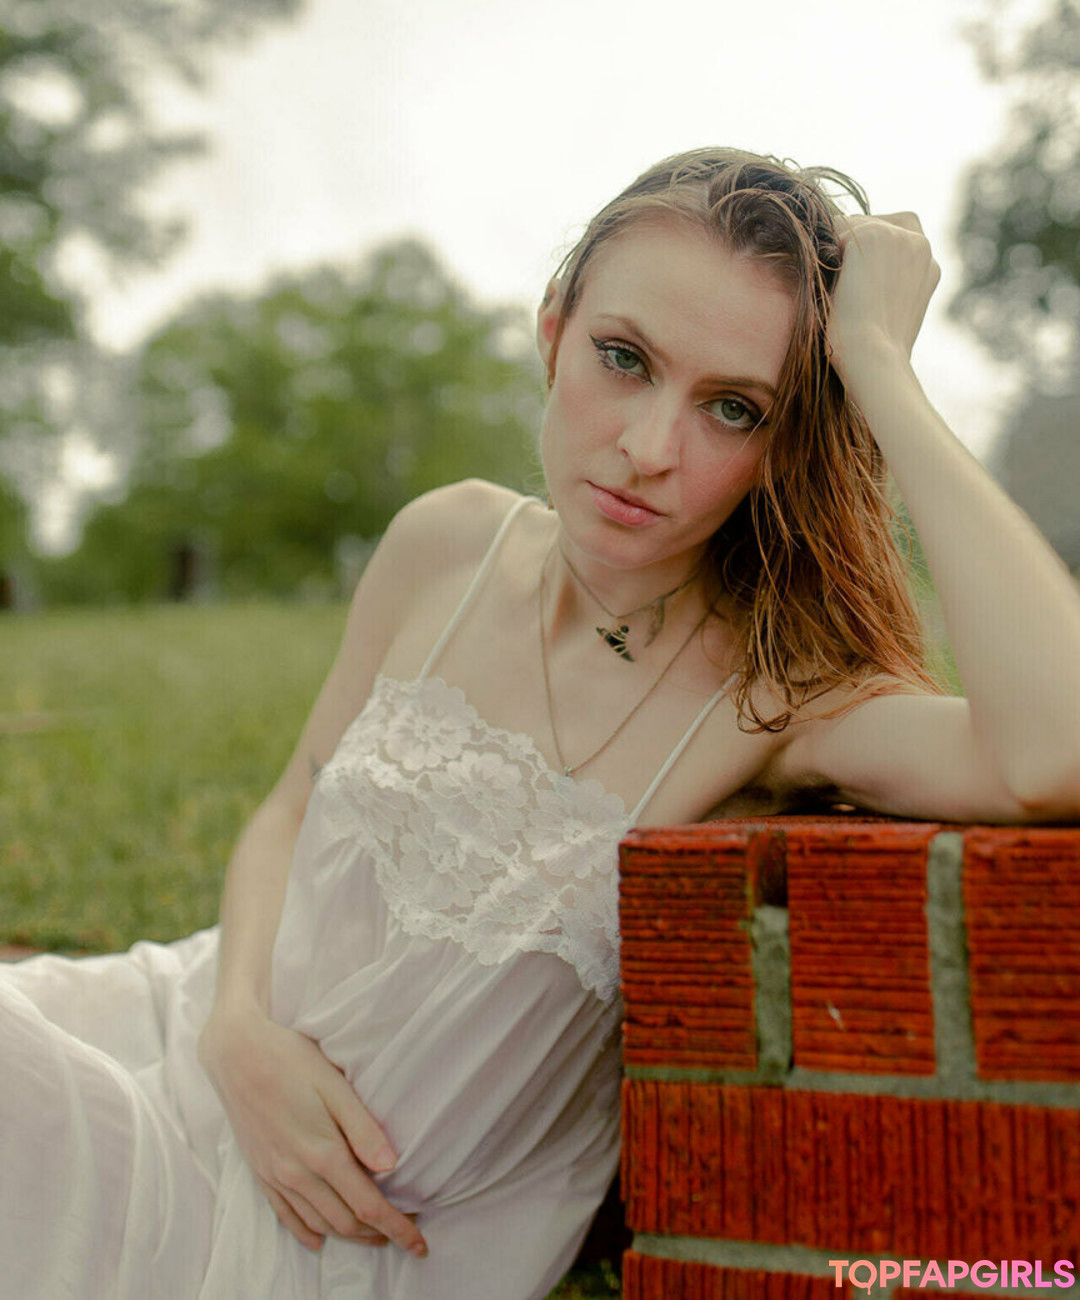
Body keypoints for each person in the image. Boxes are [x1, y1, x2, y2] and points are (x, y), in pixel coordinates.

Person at [3, 146, 1080, 1300]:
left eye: (732, 408)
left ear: (779, 449)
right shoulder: (447, 542)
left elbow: (1052, 751)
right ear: (554, 330)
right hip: (189, 1035)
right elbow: (290, 807)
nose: (650, 449)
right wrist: (236, 1033)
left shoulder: (780, 695)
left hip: (330, 1233)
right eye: (625, 358)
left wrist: (878, 366)